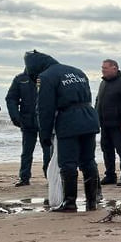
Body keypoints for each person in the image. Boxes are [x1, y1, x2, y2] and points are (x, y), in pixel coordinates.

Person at [23, 50, 102, 213]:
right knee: (88, 161)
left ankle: (70, 202)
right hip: (89, 118)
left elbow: (45, 109)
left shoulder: (46, 77)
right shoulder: (77, 71)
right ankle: (92, 201)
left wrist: (44, 135)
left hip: (69, 121)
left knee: (67, 163)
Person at [95, 59, 121, 186]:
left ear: (114, 68)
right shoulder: (103, 83)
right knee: (106, 149)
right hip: (104, 123)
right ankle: (110, 175)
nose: (103, 70)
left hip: (119, 124)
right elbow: (98, 101)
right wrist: (95, 118)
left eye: (105, 68)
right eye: (102, 68)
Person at [5, 66, 49, 186]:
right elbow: (11, 98)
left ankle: (49, 176)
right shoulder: (20, 79)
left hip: (45, 121)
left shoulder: (47, 77)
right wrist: (15, 117)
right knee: (27, 151)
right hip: (27, 121)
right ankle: (24, 178)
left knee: (48, 150)